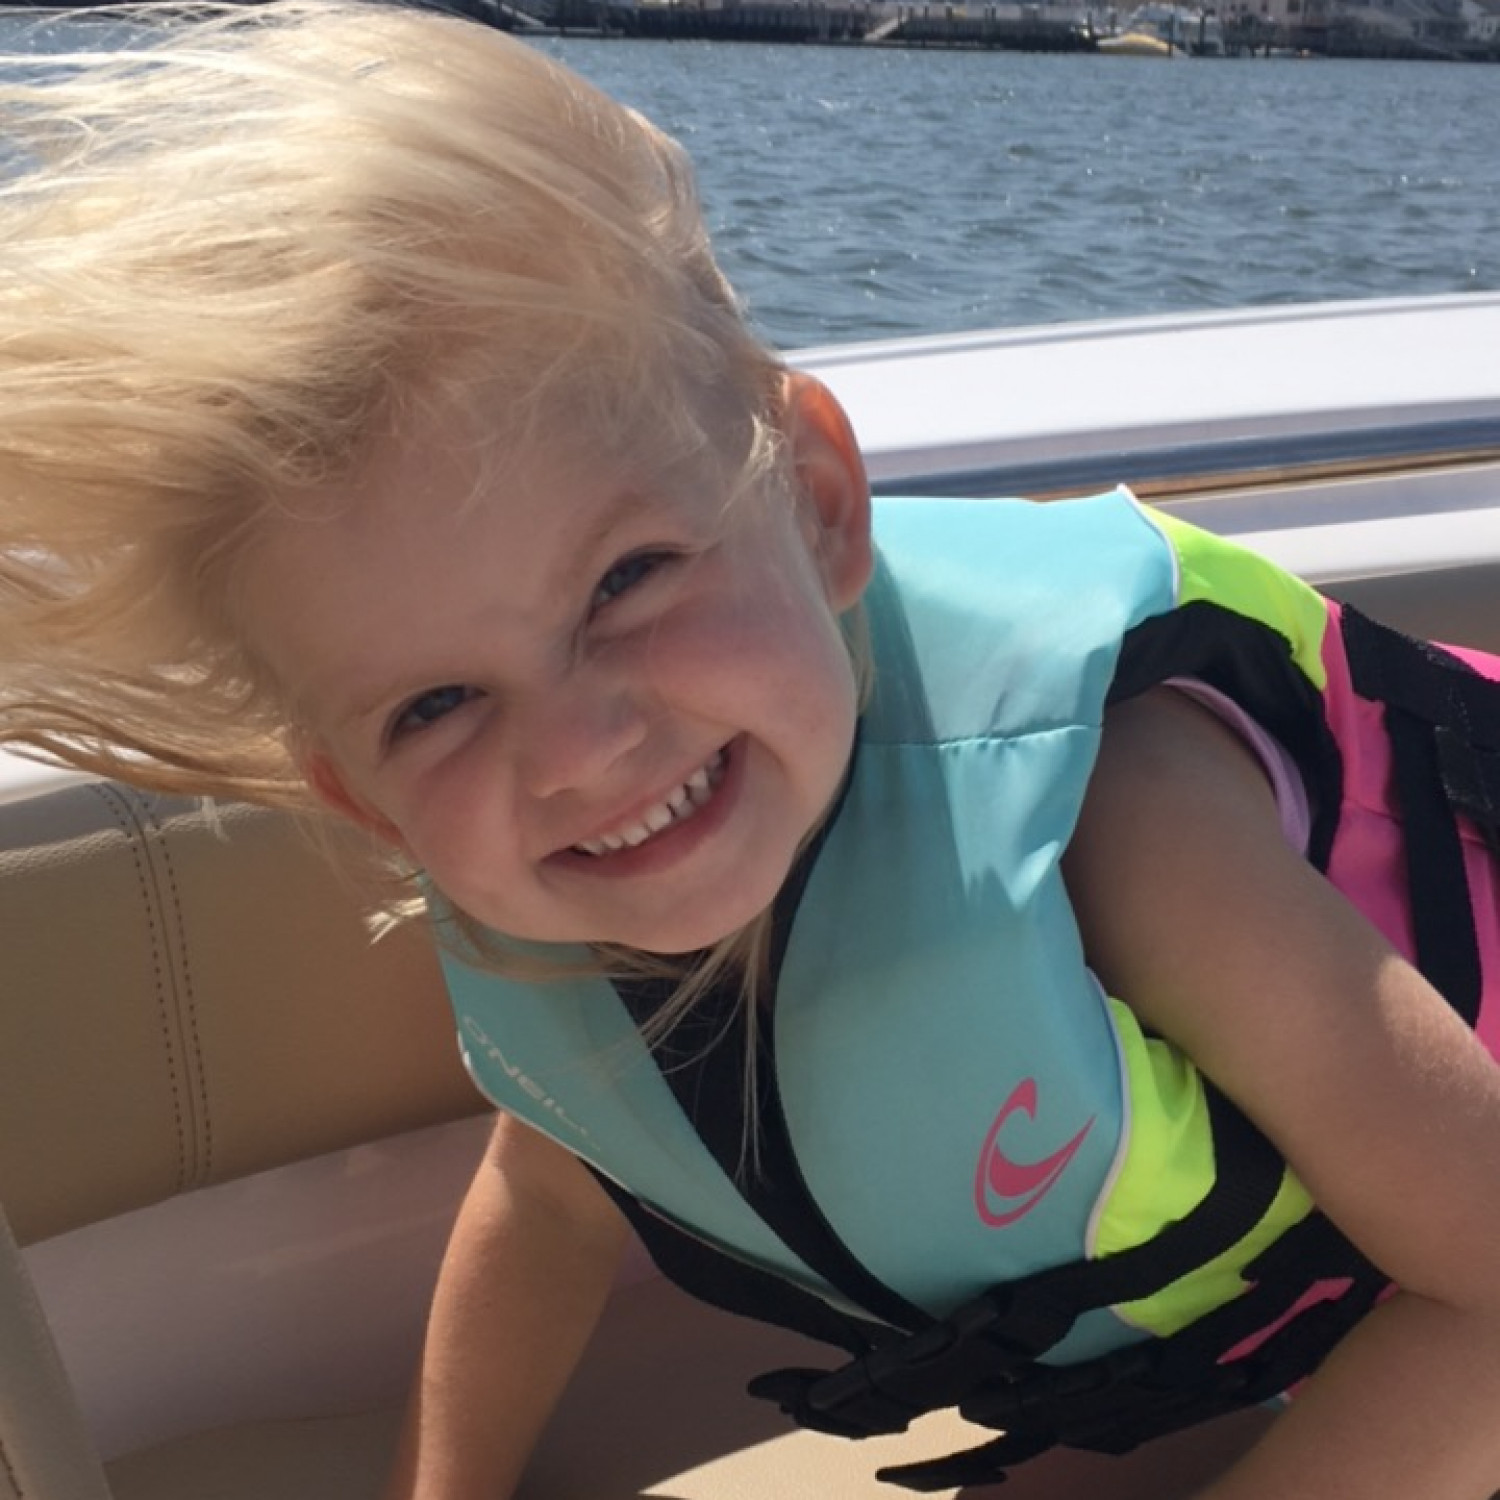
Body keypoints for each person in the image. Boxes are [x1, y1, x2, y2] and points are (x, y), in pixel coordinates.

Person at [2, 4, 1500, 1497]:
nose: (581, 751)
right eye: (433, 708)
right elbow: (555, 1194)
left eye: (626, 580)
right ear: (362, 795)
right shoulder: (583, 912)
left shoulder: (1125, 820)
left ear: (819, 501)